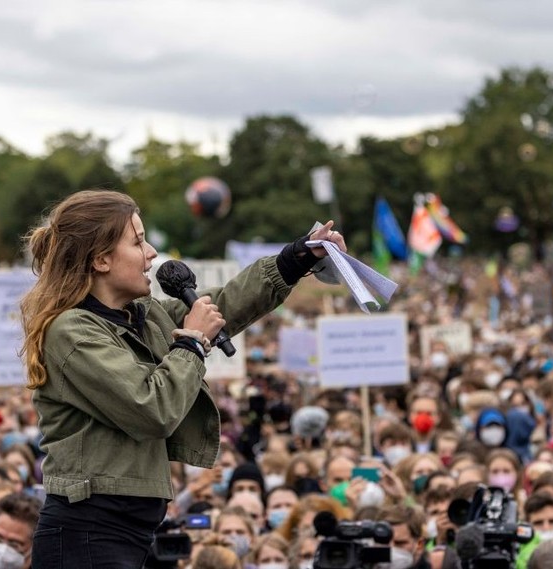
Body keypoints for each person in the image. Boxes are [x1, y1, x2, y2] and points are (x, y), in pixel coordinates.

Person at [21, 189, 346, 568]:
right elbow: (151, 408)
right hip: (88, 532)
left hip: (128, 528)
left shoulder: (139, 314)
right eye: (138, 242)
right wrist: (192, 343)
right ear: (101, 259)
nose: (151, 254)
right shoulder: (72, 331)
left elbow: (219, 305)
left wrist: (296, 259)